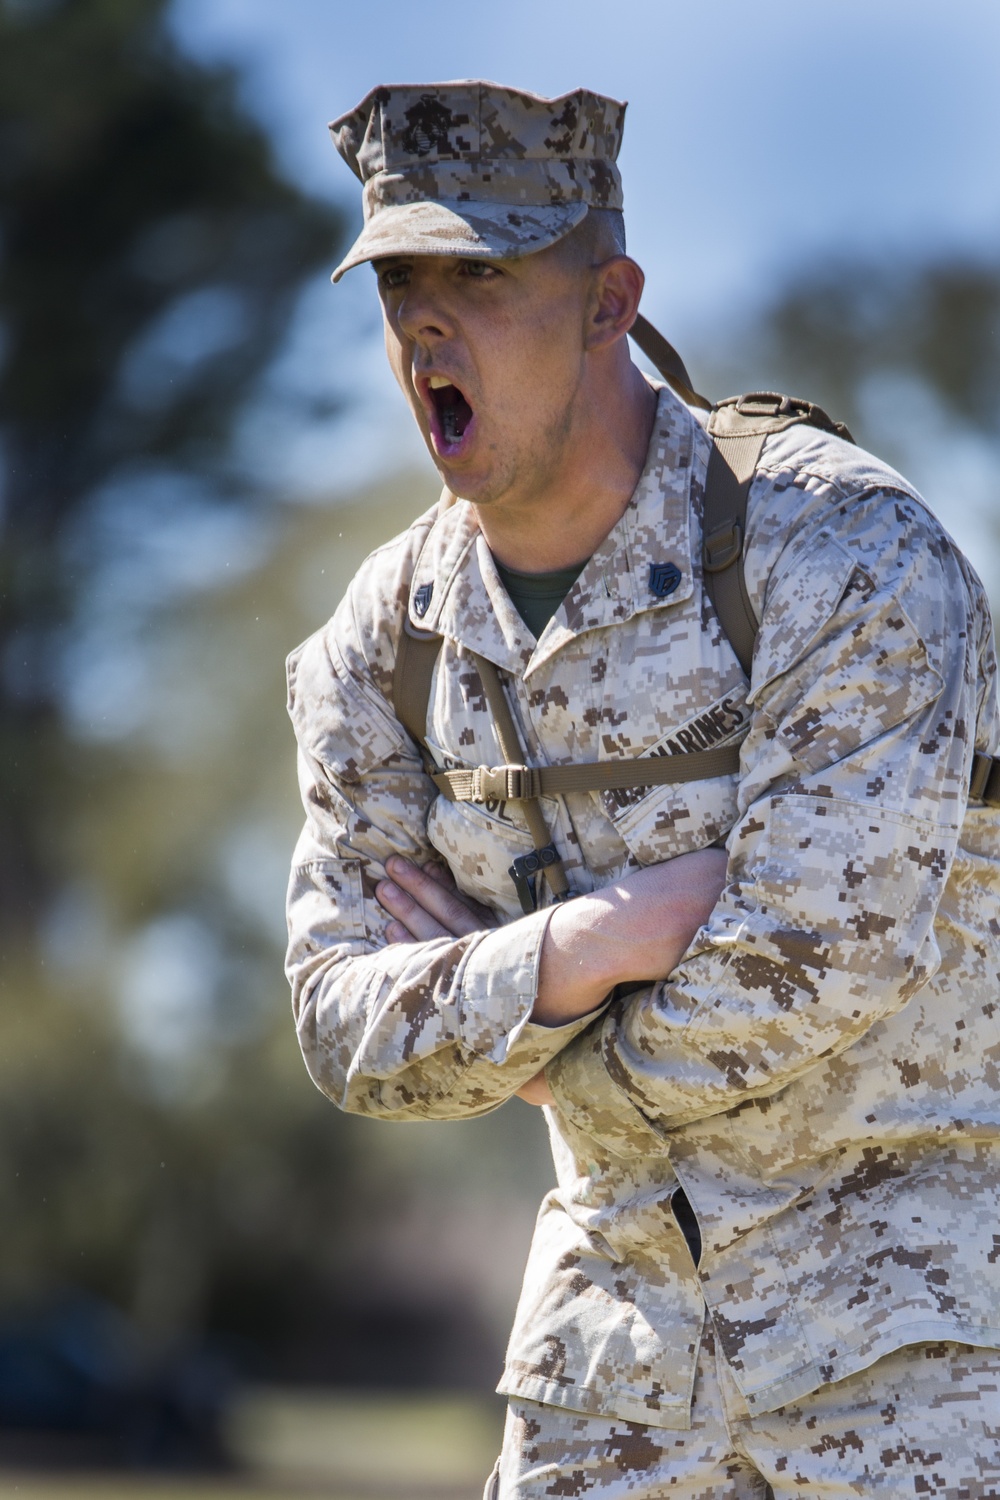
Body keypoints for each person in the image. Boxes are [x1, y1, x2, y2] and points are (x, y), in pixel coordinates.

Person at [285, 81, 1000, 1497]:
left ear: (611, 301)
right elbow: (336, 1023)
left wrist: (517, 1039)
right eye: (399, 283)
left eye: (482, 274)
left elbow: (824, 955)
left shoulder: (837, 552)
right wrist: (576, 950)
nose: (427, 323)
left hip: (910, 1337)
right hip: (603, 1370)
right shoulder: (385, 645)